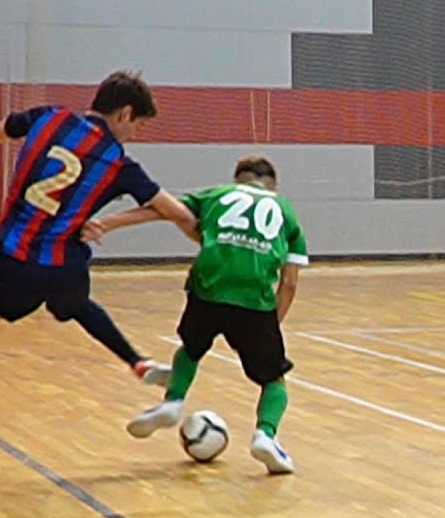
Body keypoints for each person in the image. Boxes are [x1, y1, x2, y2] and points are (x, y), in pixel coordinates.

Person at [0, 70, 198, 455]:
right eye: (137, 125)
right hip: (67, 268)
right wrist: (208, 239)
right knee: (73, 303)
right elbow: (176, 211)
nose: (133, 134)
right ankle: (137, 362)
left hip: (17, 263)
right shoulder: (119, 163)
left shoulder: (46, 117)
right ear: (124, 113)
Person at [83, 156, 307, 475]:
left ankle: (173, 402)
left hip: (207, 289)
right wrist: (272, 324)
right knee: (273, 379)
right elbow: (290, 282)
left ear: (237, 179)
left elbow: (159, 210)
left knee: (190, 349)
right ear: (273, 184)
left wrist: (108, 222)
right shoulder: (286, 212)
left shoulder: (215, 195)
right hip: (253, 300)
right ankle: (265, 436)